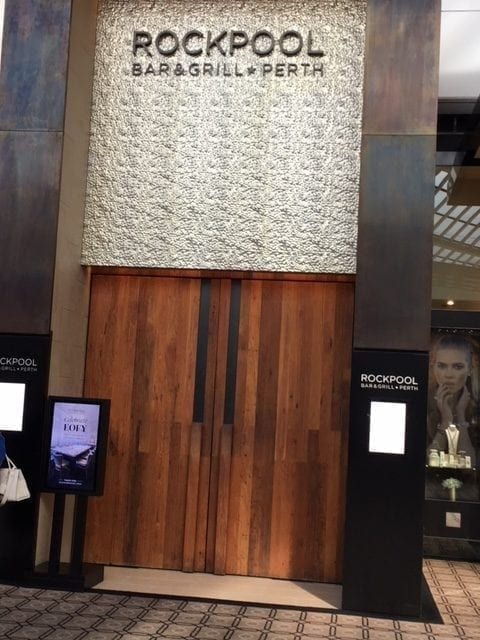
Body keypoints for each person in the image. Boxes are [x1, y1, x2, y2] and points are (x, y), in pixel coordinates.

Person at [427, 334, 478, 466]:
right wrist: (446, 421)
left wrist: (461, 416)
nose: (448, 375)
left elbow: (470, 465)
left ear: (469, 369)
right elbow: (426, 463)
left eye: (458, 367)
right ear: (433, 367)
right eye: (442, 366)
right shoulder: (423, 402)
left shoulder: (477, 407)